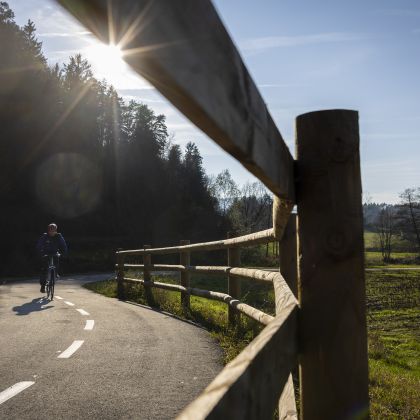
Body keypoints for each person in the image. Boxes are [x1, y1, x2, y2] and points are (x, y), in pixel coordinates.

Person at [36, 223, 68, 293]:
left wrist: (63, 253)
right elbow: (39, 245)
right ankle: (43, 285)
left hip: (54, 252)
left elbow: (63, 245)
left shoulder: (59, 236)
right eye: (50, 230)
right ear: (48, 231)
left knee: (56, 262)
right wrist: (40, 252)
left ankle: (55, 273)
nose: (52, 232)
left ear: (56, 231)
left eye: (53, 230)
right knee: (44, 269)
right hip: (46, 253)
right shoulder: (45, 236)